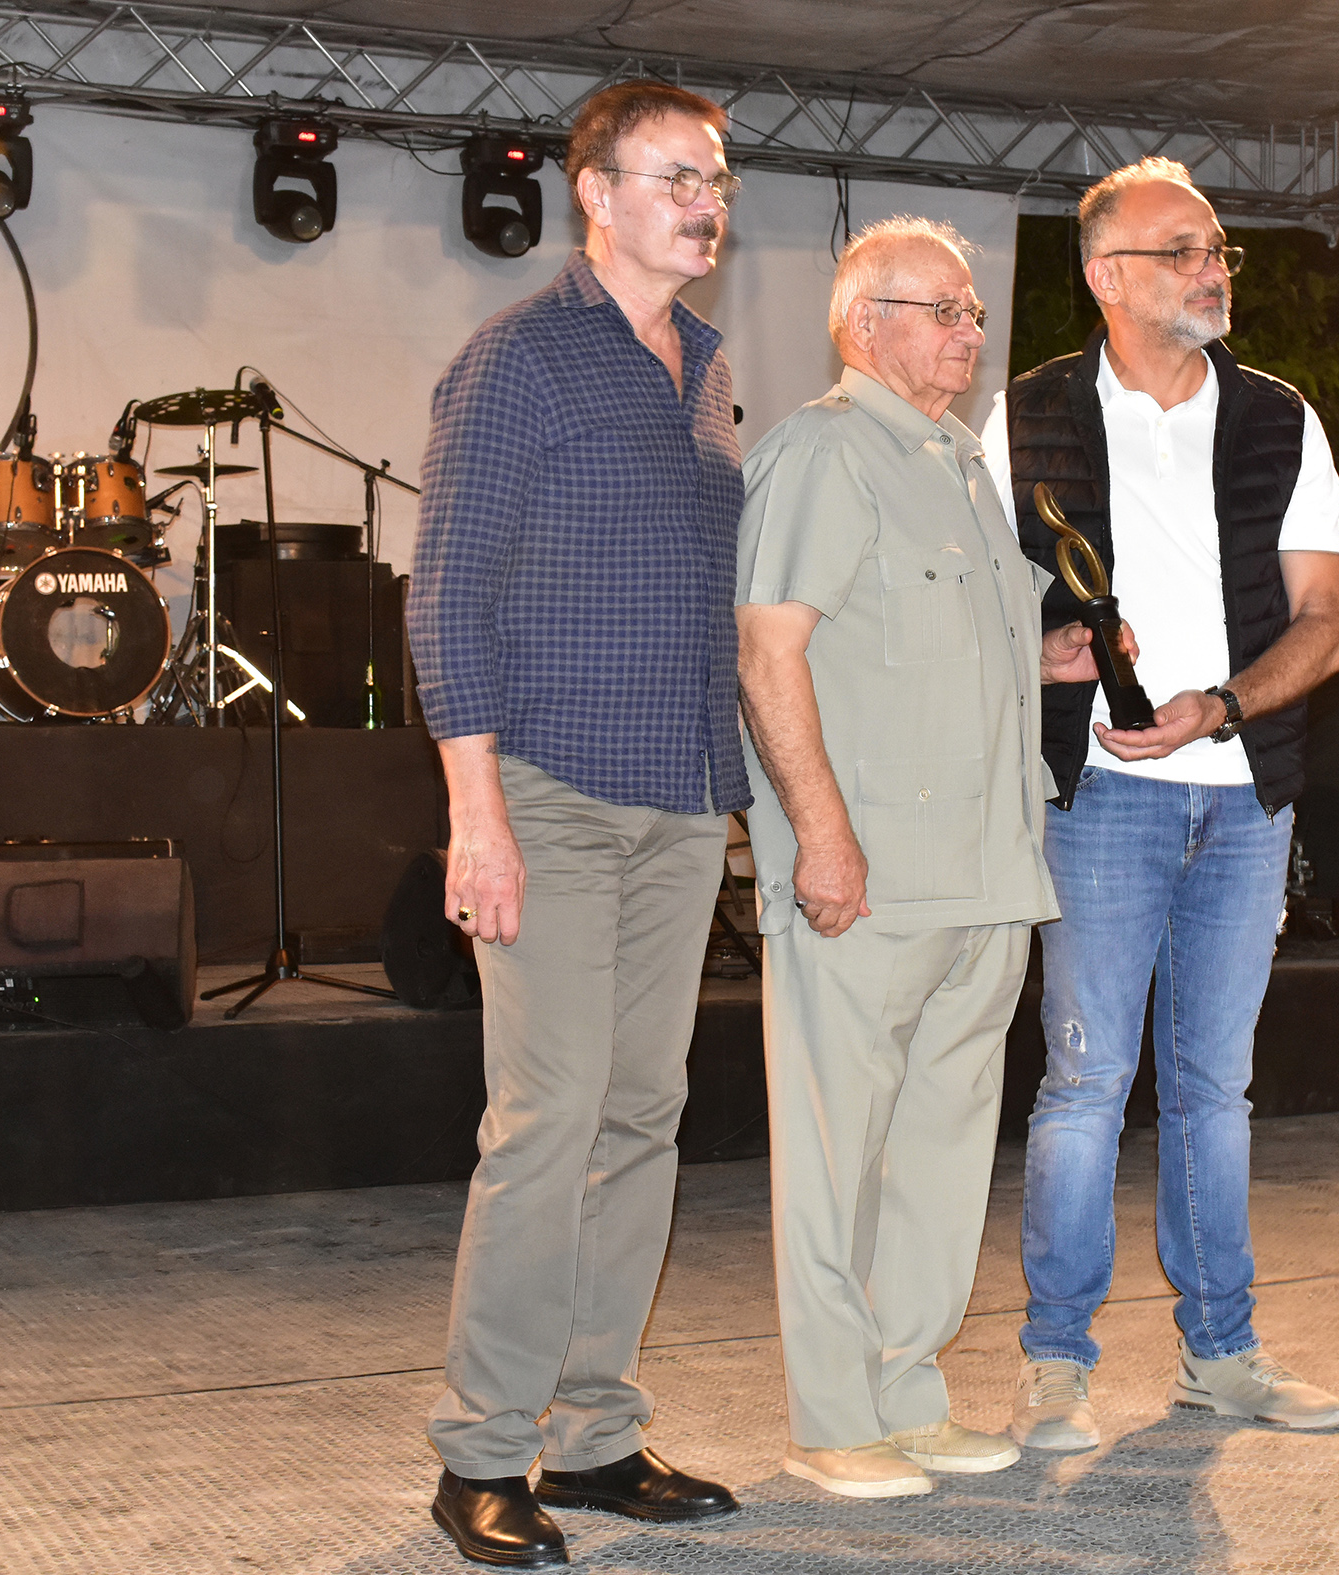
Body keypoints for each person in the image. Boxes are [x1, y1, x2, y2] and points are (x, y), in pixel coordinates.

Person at [407, 79, 746, 1568]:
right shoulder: (519, 359)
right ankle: (482, 1451)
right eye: (673, 176)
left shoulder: (705, 371)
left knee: (641, 1113)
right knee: (546, 1120)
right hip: (545, 789)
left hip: (678, 797)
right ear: (593, 194)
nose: (703, 202)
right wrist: (475, 816)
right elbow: (444, 593)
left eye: (715, 179)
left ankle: (595, 1433)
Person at [984, 156, 1339, 1452]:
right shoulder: (1022, 416)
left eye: (1217, 251)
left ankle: (1220, 1353)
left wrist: (1224, 705)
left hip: (1244, 798)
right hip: (1096, 799)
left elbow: (1328, 619)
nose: (1211, 271)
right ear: (1105, 274)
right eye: (1181, 251)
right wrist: (1031, 654)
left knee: (1214, 1089)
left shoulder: (1279, 419)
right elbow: (955, 601)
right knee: (1085, 1080)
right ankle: (1054, 1364)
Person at [737, 217, 1108, 1500]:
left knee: (943, 1154)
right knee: (836, 1156)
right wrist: (821, 837)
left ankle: (907, 1395)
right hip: (870, 876)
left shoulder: (960, 462)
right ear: (864, 324)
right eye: (942, 311)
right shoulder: (821, 452)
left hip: (986, 868)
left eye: (971, 311)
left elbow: (932, 642)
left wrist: (1041, 657)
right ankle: (833, 1419)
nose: (969, 332)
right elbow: (768, 652)